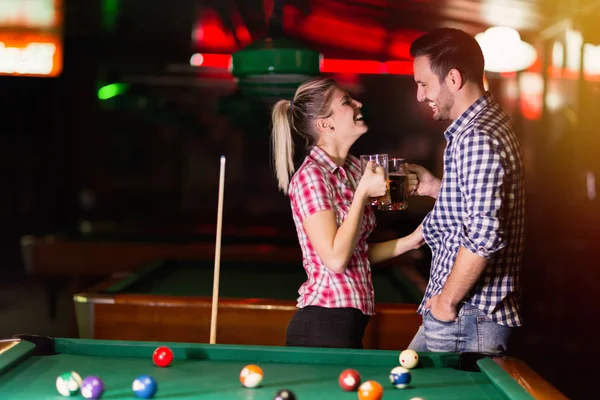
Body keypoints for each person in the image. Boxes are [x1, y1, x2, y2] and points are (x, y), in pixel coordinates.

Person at [271, 77, 424, 349]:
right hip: (322, 323)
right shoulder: (311, 177)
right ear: (326, 125)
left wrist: (413, 238)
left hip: (349, 322)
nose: (358, 103)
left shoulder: (354, 169)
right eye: (346, 102)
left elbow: (358, 254)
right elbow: (336, 259)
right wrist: (363, 193)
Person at [404, 28, 526, 355]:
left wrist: (445, 303)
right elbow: (485, 204)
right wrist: (434, 187)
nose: (420, 95)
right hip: (466, 314)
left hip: (465, 315)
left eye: (423, 84)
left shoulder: (476, 137)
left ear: (453, 79)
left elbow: (485, 233)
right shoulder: (491, 122)